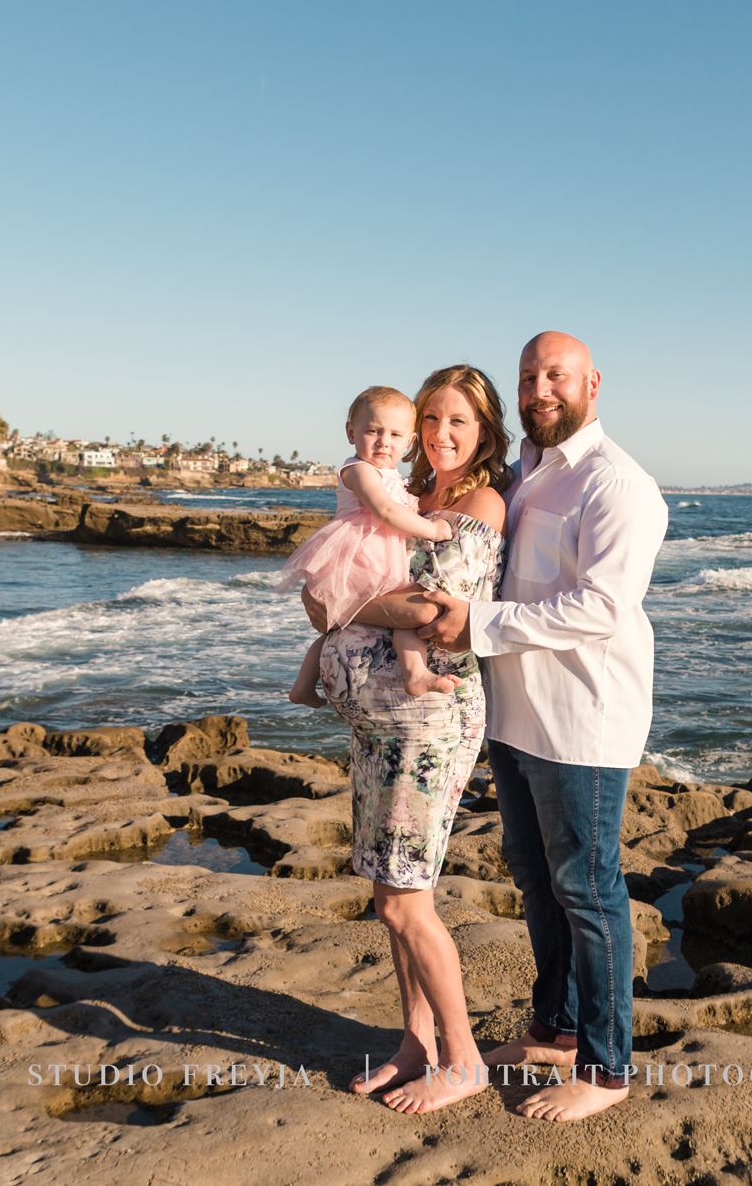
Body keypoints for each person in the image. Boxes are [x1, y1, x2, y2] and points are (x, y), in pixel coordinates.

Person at [416, 331, 669, 1122]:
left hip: (582, 722)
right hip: (517, 717)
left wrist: (478, 625)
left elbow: (601, 607)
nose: (539, 388)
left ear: (592, 382)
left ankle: (606, 1066)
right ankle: (555, 1031)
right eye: (529, 376)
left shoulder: (618, 484)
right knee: (538, 883)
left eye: (555, 374)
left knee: (591, 892)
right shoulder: (523, 477)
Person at [301, 365, 512, 1113]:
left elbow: (435, 610)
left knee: (406, 900)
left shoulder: (481, 501)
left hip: (428, 722)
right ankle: (414, 1042)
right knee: (392, 889)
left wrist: (342, 600)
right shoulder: (410, 495)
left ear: (484, 432)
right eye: (432, 420)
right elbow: (324, 592)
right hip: (376, 722)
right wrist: (333, 602)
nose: (441, 434)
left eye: (459, 421)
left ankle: (464, 1058)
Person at [279, 387, 460, 704]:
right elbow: (386, 510)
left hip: (379, 555)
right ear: (351, 433)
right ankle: (413, 672)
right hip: (358, 556)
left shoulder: (391, 473)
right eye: (373, 431)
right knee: (378, 616)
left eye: (394, 434)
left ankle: (305, 687)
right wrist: (432, 529)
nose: (383, 441)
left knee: (347, 627)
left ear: (409, 442)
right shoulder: (358, 469)